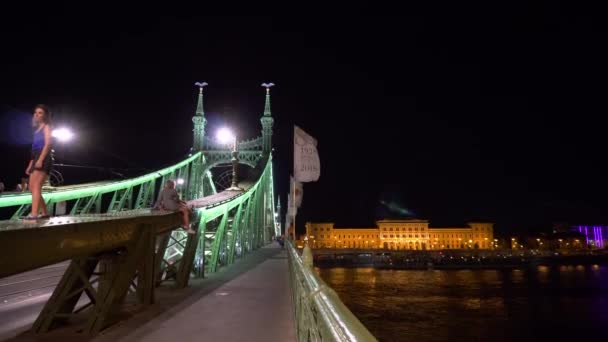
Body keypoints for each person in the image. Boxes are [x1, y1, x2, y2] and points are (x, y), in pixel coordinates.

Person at [23, 104, 54, 220]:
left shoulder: (47, 127)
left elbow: (48, 144)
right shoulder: (36, 130)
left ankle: (34, 214)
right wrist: (30, 164)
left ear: (45, 115)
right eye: (35, 112)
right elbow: (34, 149)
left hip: (43, 157)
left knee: (36, 186)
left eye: (40, 112)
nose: (37, 114)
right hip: (36, 157)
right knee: (31, 187)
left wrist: (40, 160)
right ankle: (45, 213)